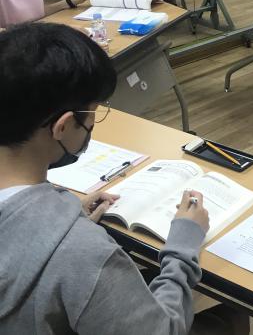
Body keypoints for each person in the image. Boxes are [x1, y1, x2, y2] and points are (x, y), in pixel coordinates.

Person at [0, 23, 217, 334]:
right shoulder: (84, 253)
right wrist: (183, 247)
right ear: (62, 126)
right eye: (92, 114)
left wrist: (63, 215)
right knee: (230, 317)